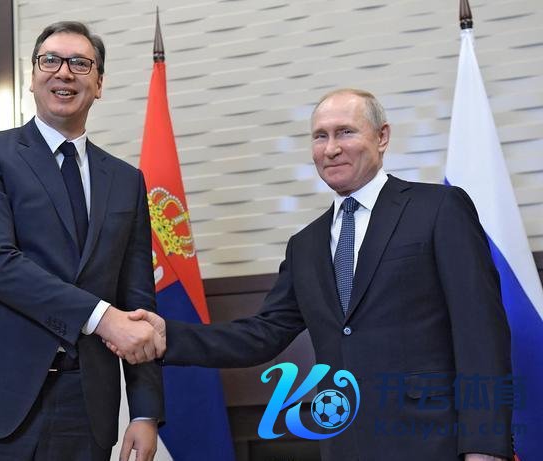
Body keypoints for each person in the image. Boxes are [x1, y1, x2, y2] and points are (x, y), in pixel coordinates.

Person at [123, 89, 513, 460]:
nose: (331, 148)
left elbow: (481, 332)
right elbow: (261, 334)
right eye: (320, 136)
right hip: (346, 444)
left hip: (436, 442)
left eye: (345, 132)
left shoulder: (438, 208)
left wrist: (485, 443)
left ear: (382, 137)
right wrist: (167, 336)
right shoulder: (305, 245)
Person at [0, 21, 163, 461]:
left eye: (80, 63)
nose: (63, 72)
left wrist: (145, 411)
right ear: (32, 78)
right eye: (50, 60)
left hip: (84, 406)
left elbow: (139, 300)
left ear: (99, 84)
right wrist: (103, 318)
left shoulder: (126, 181)